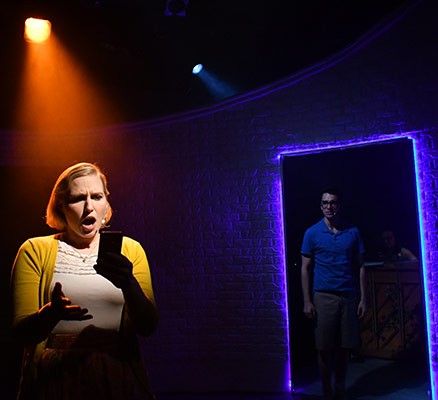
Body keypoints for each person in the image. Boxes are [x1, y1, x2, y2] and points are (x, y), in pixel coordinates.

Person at [10, 162, 159, 400]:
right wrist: (52, 313)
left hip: (117, 375)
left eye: (97, 196)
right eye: (78, 198)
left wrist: (129, 284)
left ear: (106, 203)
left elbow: (148, 326)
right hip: (57, 377)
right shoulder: (34, 250)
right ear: (61, 206)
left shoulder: (130, 250)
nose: (89, 206)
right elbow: (20, 332)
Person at [301, 187, 366, 400]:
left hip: (347, 295)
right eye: (325, 203)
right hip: (323, 295)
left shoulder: (352, 231)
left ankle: (340, 385)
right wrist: (307, 301)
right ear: (321, 205)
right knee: (324, 346)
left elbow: (360, 266)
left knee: (344, 346)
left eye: (333, 202)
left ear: (339, 205)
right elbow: (305, 268)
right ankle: (326, 388)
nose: (329, 206)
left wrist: (363, 298)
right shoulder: (312, 232)